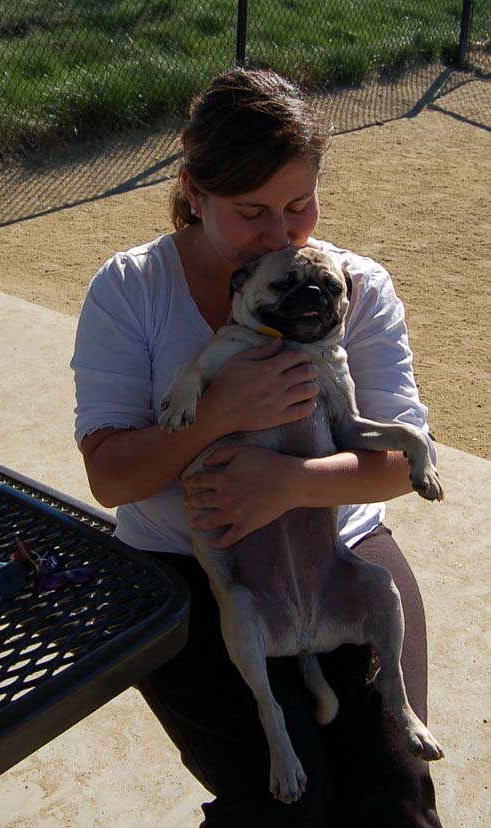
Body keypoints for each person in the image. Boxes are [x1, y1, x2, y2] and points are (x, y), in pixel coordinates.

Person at [71, 68, 443, 827]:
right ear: (194, 192)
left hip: (336, 551)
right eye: (250, 212)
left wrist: (287, 482)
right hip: (188, 570)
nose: (280, 233)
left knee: (395, 808)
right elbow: (111, 479)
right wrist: (214, 416)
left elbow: (404, 465)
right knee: (286, 811)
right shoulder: (131, 288)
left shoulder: (353, 283)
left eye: (299, 205)